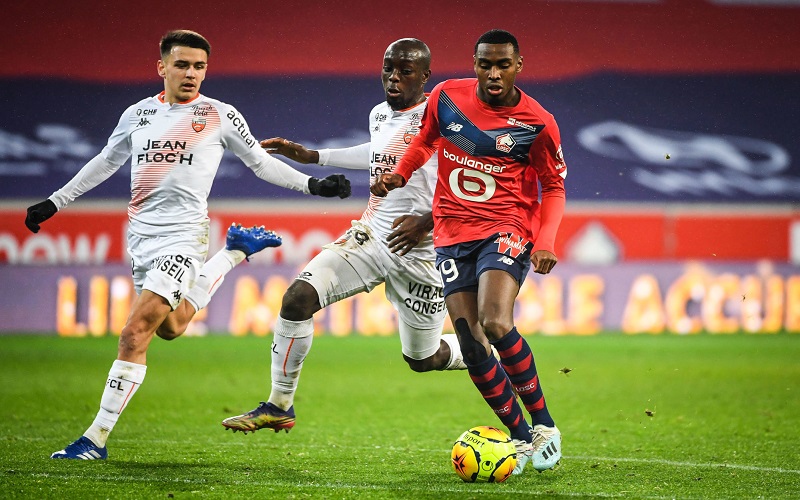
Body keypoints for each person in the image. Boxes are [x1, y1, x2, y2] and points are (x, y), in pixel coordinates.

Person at [25, 29, 352, 460]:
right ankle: (234, 251)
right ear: (161, 67)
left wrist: (314, 186)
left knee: (133, 334)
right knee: (171, 327)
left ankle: (94, 439)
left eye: (199, 66)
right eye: (182, 65)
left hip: (183, 239)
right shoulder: (138, 114)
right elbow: (105, 161)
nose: (191, 73)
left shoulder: (219, 115)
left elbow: (260, 163)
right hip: (141, 239)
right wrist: (55, 201)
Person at [221, 38, 471, 435]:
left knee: (423, 359)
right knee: (298, 298)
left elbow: (474, 183)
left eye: (405, 71)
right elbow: (379, 151)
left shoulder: (447, 120)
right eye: (388, 68)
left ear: (425, 76)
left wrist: (426, 221)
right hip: (372, 237)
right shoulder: (379, 114)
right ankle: (279, 405)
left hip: (424, 253)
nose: (393, 77)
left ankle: (484, 352)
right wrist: (313, 156)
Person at [370, 29, 567, 474]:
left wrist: (546, 241)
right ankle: (521, 438)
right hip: (451, 232)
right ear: (474, 64)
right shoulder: (446, 97)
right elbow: (425, 140)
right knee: (472, 344)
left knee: (495, 321)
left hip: (506, 226)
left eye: (503, 65)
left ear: (518, 66)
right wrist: (401, 174)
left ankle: (545, 426)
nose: (493, 74)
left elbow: (553, 186)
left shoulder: (537, 122)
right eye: (485, 64)